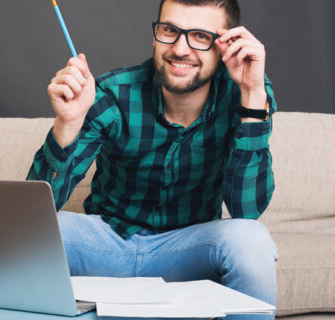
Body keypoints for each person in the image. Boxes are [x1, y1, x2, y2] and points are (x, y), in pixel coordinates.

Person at [27, 0, 278, 318]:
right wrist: (68, 125)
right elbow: (33, 217)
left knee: (251, 239)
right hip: (108, 244)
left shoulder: (247, 95)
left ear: (226, 46)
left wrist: (253, 94)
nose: (180, 49)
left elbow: (247, 211)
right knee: (41, 236)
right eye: (170, 30)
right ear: (156, 33)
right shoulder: (112, 94)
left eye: (200, 36)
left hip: (188, 251)